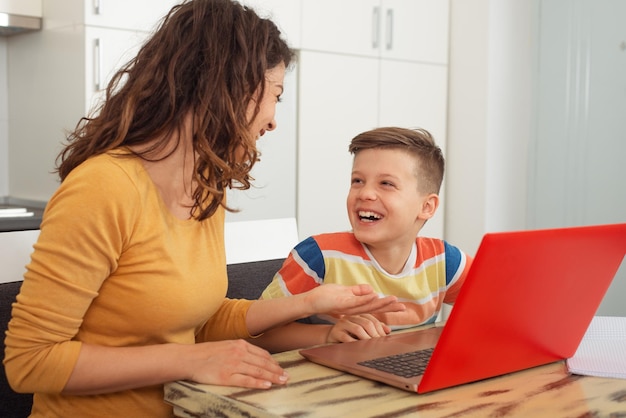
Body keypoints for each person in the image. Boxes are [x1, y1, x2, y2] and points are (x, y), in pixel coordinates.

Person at [2, 1, 405, 417]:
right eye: (275, 97)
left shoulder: (206, 189)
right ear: (229, 87)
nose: (272, 121)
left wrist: (312, 308)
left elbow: (199, 320)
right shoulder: (104, 187)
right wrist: (192, 360)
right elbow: (30, 362)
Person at [252, 127, 473, 353]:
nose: (365, 193)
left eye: (386, 183)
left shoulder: (445, 261)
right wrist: (327, 334)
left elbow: (498, 306)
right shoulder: (319, 256)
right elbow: (255, 334)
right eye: (357, 180)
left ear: (426, 207)